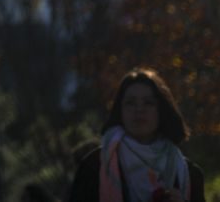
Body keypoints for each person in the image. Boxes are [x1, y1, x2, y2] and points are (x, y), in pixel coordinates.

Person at [67, 68, 205, 202]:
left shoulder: (189, 174)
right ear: (120, 111)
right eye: (130, 103)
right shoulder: (95, 166)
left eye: (148, 103)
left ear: (162, 110)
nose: (139, 109)